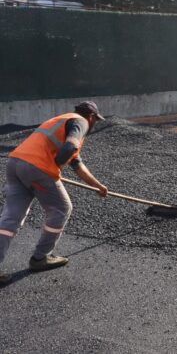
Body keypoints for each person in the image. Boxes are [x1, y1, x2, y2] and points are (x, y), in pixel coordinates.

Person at [0, 101, 108, 284]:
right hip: (36, 168)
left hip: (15, 164)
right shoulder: (80, 122)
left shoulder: (59, 121)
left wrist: (98, 186)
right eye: (95, 120)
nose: (93, 124)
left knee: (11, 218)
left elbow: (77, 164)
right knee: (61, 208)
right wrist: (53, 168)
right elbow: (69, 148)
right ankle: (40, 258)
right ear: (91, 117)